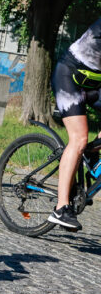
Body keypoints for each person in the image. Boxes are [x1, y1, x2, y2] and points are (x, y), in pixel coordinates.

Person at [49, 19, 101, 231]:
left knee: (86, 146)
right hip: (69, 76)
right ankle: (61, 208)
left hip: (95, 82)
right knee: (79, 138)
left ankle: (90, 155)